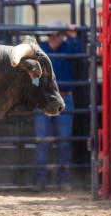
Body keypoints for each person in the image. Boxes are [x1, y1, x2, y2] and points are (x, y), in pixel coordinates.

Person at [32, 19, 82, 192]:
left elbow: (80, 58)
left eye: (55, 34)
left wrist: (74, 36)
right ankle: (40, 181)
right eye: (49, 35)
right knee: (42, 141)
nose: (51, 38)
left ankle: (63, 180)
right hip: (45, 100)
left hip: (64, 98)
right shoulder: (42, 51)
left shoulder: (68, 48)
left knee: (63, 142)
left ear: (62, 36)